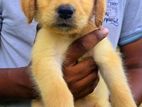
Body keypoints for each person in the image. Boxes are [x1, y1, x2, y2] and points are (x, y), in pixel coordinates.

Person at [0, 0, 142, 107]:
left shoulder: (94, 34)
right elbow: (45, 65)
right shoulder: (46, 36)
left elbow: (117, 65)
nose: (66, 7)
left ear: (97, 5)